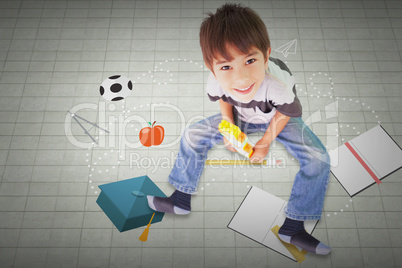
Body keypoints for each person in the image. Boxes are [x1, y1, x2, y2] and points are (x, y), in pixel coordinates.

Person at [147, 3, 331, 255]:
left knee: (318, 159)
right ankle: (180, 199)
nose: (241, 78)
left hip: (277, 116)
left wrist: (265, 142)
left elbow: (287, 112)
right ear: (212, 68)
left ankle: (294, 227)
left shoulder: (278, 85)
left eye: (250, 61)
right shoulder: (215, 81)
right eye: (226, 67)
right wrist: (229, 126)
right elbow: (224, 99)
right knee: (193, 135)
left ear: (266, 56)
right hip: (241, 115)